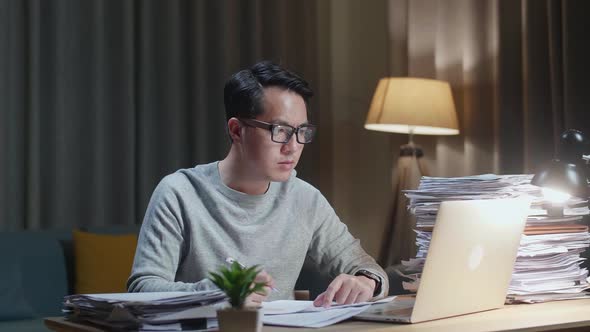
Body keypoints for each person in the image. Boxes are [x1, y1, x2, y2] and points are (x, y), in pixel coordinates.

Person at [127, 61, 389, 307]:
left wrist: (365, 281)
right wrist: (215, 294)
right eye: (280, 131)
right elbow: (143, 289)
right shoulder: (179, 193)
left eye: (302, 132)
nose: (293, 147)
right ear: (236, 130)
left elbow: (366, 267)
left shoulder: (304, 199)